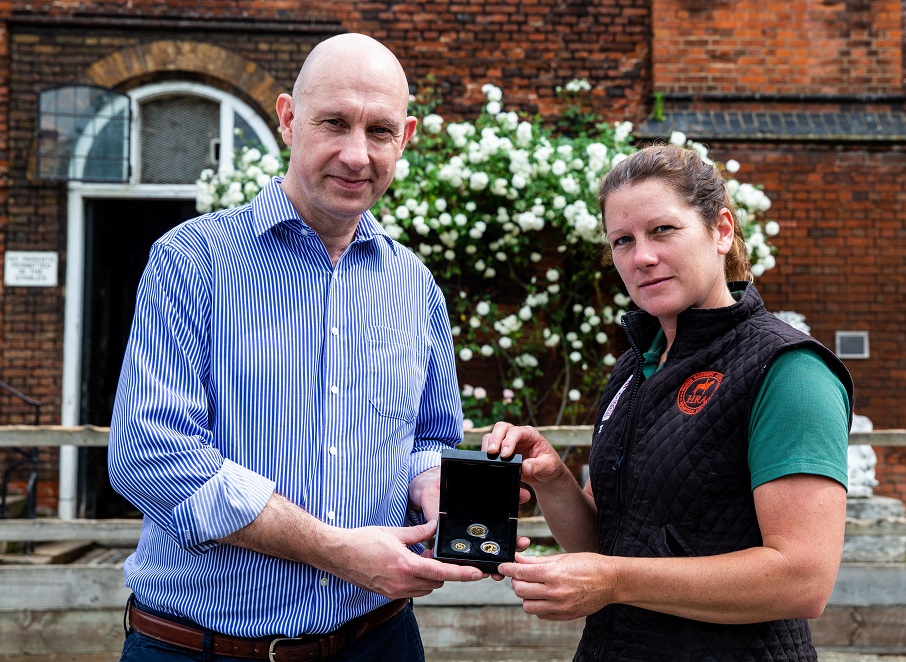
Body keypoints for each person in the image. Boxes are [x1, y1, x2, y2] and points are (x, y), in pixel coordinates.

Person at [107, 33, 484, 662]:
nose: (357, 154)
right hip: (207, 649)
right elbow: (153, 460)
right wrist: (339, 551)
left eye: (380, 131)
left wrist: (440, 489)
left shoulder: (413, 284)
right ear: (287, 120)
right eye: (334, 122)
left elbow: (429, 436)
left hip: (379, 641)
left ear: (407, 137)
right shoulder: (191, 261)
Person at [484, 144, 854, 661]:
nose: (642, 257)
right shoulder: (636, 367)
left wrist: (614, 580)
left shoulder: (790, 370)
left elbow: (802, 579)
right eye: (622, 241)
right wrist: (552, 478)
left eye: (663, 230)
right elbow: (603, 543)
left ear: (721, 230)